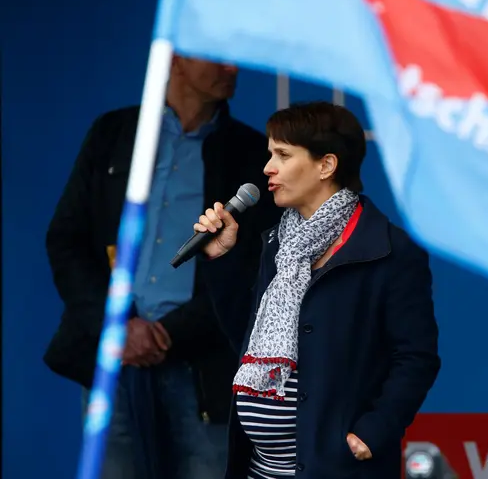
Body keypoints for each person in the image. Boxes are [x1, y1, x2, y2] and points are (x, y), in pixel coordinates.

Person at [43, 55, 282, 479]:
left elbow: (255, 270)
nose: (234, 68)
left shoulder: (250, 154)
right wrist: (116, 324)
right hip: (113, 364)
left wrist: (171, 334)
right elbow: (68, 239)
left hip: (205, 369)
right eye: (217, 58)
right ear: (175, 60)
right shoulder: (114, 134)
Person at [194, 101, 442, 478]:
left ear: (326, 165)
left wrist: (374, 430)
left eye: (283, 154)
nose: (267, 168)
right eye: (269, 154)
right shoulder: (278, 243)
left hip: (334, 468)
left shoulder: (388, 249)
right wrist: (222, 258)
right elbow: (241, 337)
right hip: (260, 469)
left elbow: (416, 357)